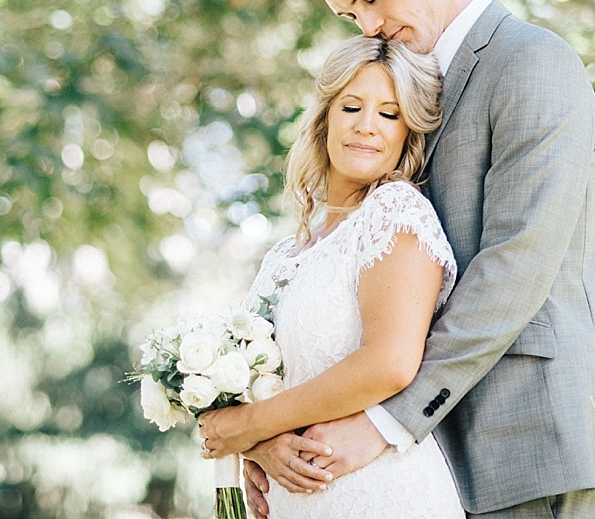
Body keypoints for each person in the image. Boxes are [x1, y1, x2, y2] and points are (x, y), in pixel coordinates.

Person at [241, 0, 595, 519]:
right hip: (427, 466)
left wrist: (384, 422)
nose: (370, 26)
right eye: (351, 18)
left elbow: (515, 265)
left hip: (527, 438)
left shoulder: (533, 61)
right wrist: (270, 441)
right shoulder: (407, 89)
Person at [197, 35, 464, 519]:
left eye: (389, 113)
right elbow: (274, 382)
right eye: (352, 106)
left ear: (409, 131)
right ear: (324, 117)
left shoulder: (395, 212)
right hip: (292, 499)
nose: (367, 127)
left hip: (380, 492)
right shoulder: (284, 253)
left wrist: (252, 424)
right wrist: (258, 446)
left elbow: (390, 363)